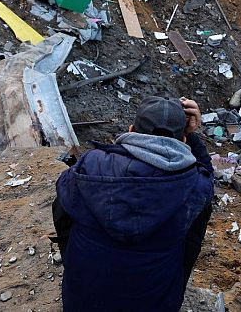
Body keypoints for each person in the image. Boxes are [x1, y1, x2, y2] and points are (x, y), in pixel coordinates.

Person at [54, 96, 214, 312]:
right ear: (183, 141)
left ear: (131, 130)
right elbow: (206, 185)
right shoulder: (194, 185)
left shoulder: (89, 165)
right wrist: (193, 137)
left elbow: (62, 215)